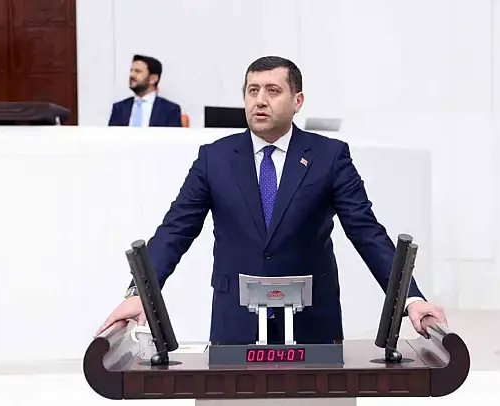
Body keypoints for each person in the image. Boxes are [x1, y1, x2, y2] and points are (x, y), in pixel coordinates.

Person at [97, 56, 447, 344]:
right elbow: (175, 230)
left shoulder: (329, 157)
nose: (260, 100)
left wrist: (410, 298)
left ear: (298, 101)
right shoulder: (214, 158)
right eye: (252, 90)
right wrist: (139, 293)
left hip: (312, 321)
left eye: (273, 90)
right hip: (237, 321)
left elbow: (366, 232)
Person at [108, 54, 183, 127]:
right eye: (131, 71)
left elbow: (173, 135)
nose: (132, 75)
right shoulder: (119, 108)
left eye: (138, 71)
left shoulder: (170, 110)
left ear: (153, 79)